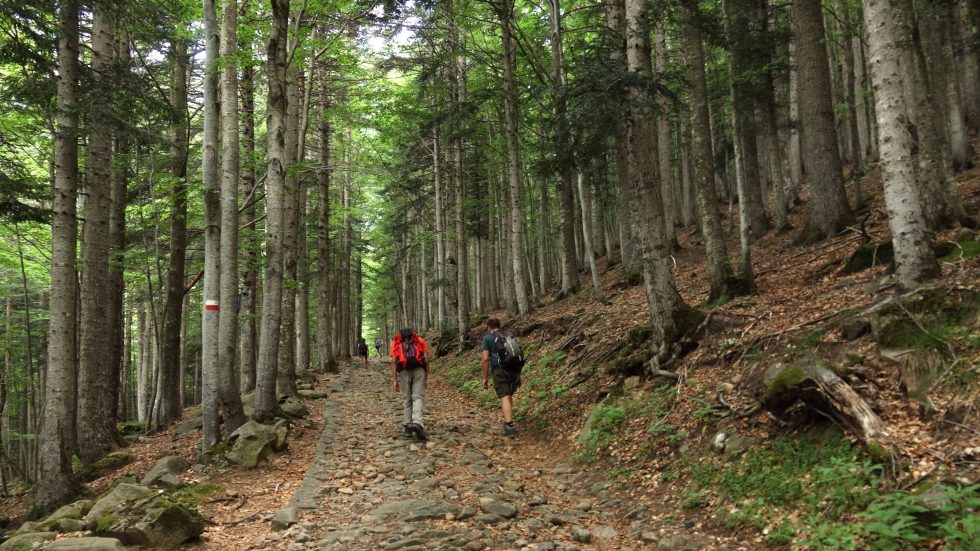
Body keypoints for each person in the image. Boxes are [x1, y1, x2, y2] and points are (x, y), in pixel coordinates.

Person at [481, 317, 522, 438]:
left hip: (499, 370)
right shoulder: (509, 335)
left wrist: (484, 377)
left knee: (504, 395)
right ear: (499, 325)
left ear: (488, 327)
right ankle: (508, 421)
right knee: (508, 394)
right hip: (515, 369)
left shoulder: (488, 338)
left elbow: (485, 359)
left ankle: (509, 426)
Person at [391, 328, 429, 441]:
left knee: (407, 398)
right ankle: (417, 422)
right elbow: (426, 360)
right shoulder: (420, 340)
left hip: (403, 371)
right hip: (419, 371)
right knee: (418, 397)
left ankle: (407, 427)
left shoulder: (396, 342)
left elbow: (393, 362)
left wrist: (394, 380)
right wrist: (426, 378)